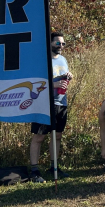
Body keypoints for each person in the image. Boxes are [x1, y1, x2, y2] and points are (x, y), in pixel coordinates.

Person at [29, 31, 73, 183]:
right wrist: (53, 84)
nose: (61, 46)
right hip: (44, 103)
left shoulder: (63, 59)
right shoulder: (43, 60)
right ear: (50, 43)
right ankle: (34, 170)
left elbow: (62, 77)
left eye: (63, 43)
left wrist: (68, 77)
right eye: (58, 43)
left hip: (61, 103)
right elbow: (34, 83)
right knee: (39, 137)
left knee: (57, 136)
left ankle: (54, 167)